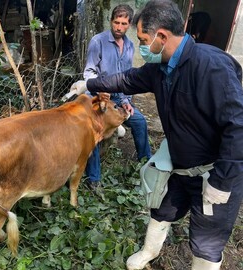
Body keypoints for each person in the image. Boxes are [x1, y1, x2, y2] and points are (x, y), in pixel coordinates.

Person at [70, 0, 243, 269]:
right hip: (181, 166)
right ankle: (148, 252)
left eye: (143, 39)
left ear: (161, 36)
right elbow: (124, 79)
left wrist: (222, 181)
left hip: (214, 173)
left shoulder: (210, 67)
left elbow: (238, 127)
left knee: (205, 242)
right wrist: (88, 84)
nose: (140, 45)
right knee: (162, 209)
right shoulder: (160, 68)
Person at [83, 4, 151, 190]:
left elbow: (127, 78)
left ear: (129, 25)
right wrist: (98, 88)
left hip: (120, 97)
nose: (118, 27)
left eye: (123, 23)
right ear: (111, 21)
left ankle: (147, 165)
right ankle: (93, 178)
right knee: (95, 129)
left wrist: (127, 101)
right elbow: (88, 73)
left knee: (139, 122)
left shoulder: (129, 45)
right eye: (116, 22)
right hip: (99, 96)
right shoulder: (98, 41)